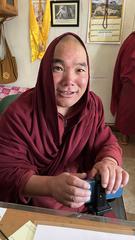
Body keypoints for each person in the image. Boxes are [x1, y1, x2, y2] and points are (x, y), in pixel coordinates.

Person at [0, 33, 129, 212]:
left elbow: (106, 141)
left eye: (79, 70)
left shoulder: (93, 105)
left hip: (83, 201)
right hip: (33, 206)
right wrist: (51, 186)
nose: (70, 81)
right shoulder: (18, 114)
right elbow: (6, 171)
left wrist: (109, 161)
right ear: (45, 70)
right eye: (58, 68)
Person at [110, 32, 135, 144]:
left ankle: (125, 136)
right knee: (126, 108)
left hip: (129, 80)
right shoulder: (131, 39)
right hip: (129, 81)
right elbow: (123, 61)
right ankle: (124, 135)